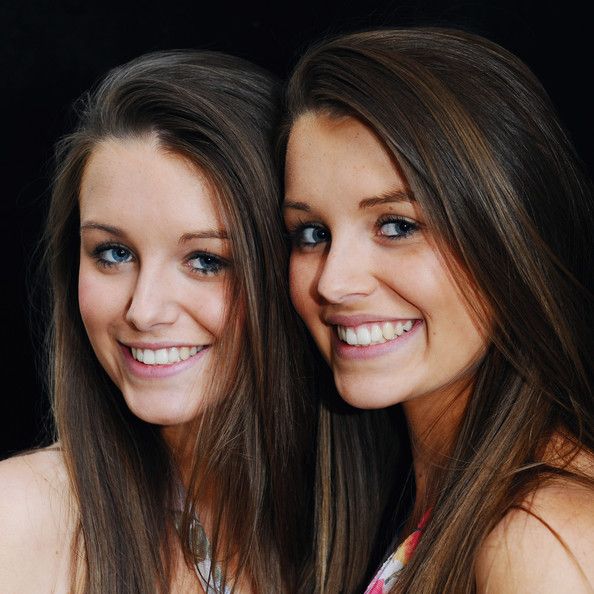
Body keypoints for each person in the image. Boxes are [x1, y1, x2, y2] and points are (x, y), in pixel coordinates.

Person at [280, 27, 594, 593]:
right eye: (311, 233)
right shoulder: (432, 498)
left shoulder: (540, 539)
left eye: (397, 225)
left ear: (507, 238)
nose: (334, 281)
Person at [0, 50, 312, 593]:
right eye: (113, 253)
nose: (143, 310)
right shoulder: (22, 518)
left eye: (206, 261)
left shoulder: (376, 516)